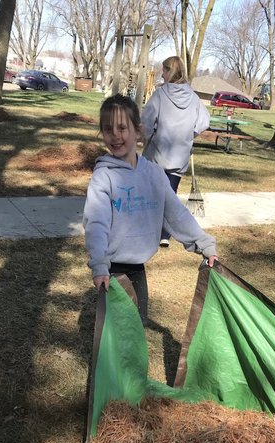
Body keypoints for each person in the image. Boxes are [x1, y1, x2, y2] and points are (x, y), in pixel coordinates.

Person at [83, 93, 217, 325]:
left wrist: (203, 243)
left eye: (122, 128)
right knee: (117, 333)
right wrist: (100, 265)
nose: (115, 135)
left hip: (138, 268)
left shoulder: (154, 174)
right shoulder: (103, 177)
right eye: (107, 129)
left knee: (138, 325)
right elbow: (96, 223)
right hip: (112, 269)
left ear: (138, 131)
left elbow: (175, 214)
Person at [141, 55, 210, 247]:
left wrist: (147, 135)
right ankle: (164, 234)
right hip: (179, 157)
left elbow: (147, 120)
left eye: (163, 71)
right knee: (170, 195)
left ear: (169, 71)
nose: (162, 74)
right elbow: (204, 121)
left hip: (157, 155)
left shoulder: (160, 95)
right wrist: (190, 134)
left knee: (152, 194)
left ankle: (153, 231)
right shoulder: (194, 98)